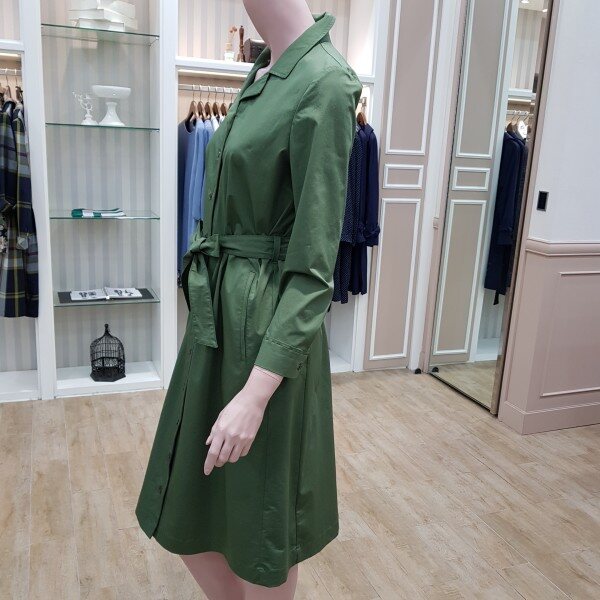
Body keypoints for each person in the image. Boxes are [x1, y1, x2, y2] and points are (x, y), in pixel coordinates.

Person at [135, 1, 363, 597]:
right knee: (189, 491)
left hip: (266, 326)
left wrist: (257, 395)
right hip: (218, 315)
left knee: (262, 510)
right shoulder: (263, 70)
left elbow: (314, 269)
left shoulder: (326, 83)